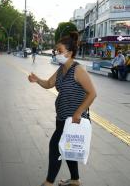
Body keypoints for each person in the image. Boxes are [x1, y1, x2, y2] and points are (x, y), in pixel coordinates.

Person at [28, 31, 97, 186]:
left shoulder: (78, 70)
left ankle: (49, 182)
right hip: (62, 118)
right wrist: (37, 79)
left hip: (74, 120)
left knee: (55, 147)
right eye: (56, 51)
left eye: (59, 51)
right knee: (69, 149)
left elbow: (92, 93)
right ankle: (75, 180)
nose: (56, 54)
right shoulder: (61, 69)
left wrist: (79, 113)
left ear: (70, 53)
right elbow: (49, 84)